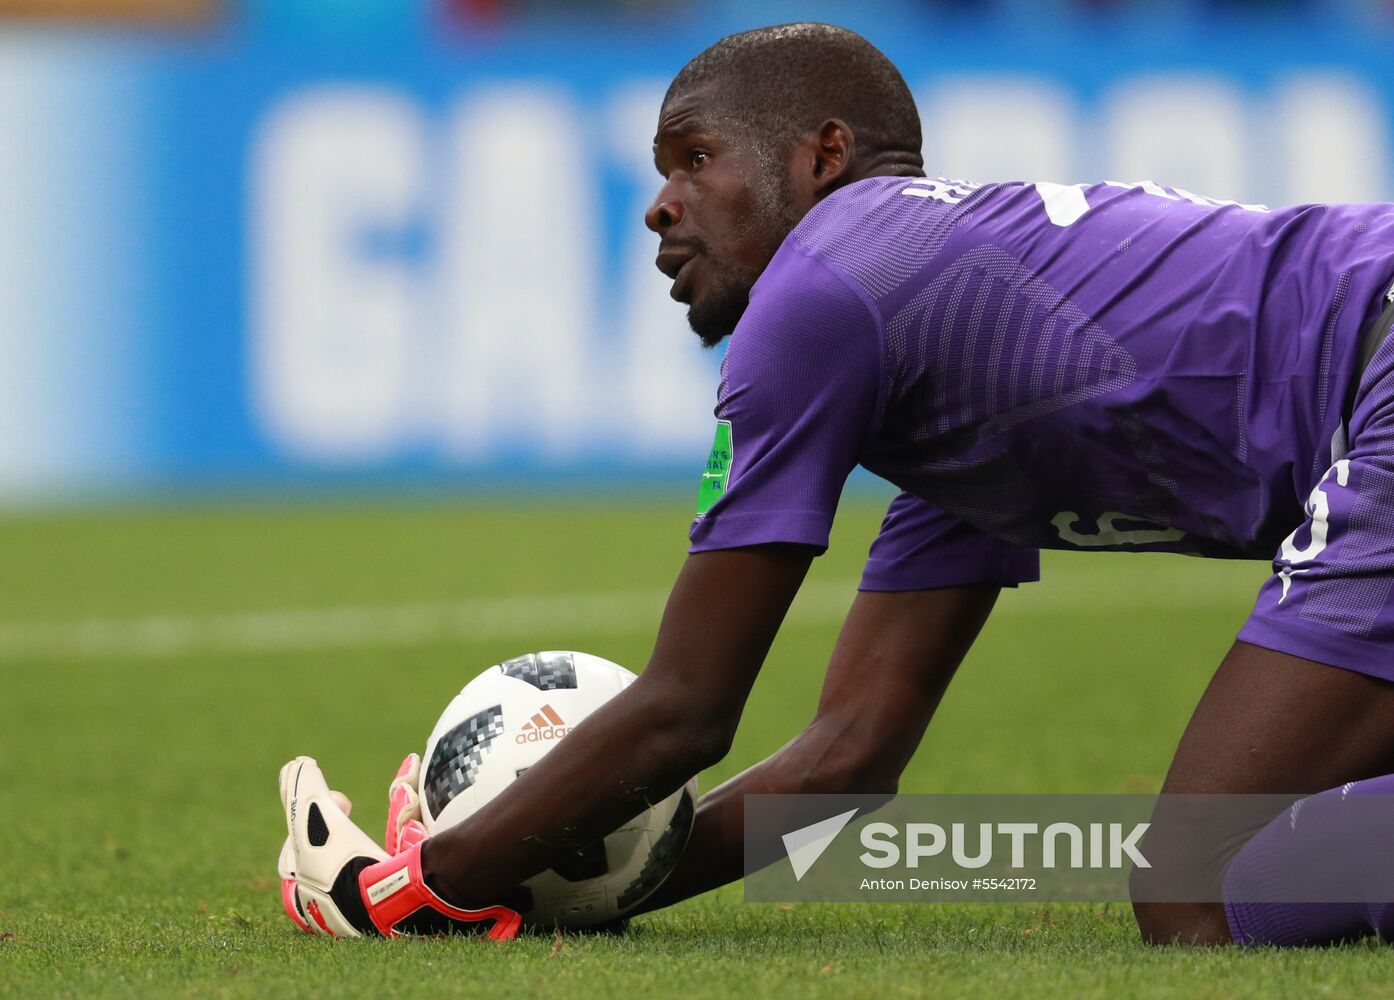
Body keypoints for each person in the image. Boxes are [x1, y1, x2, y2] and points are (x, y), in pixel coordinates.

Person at [278, 22, 1394, 947]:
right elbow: (846, 757)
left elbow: (683, 709)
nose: (661, 205)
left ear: (819, 155)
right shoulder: (943, 358)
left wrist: (414, 888)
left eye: (693, 158)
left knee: (1195, 884)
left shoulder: (827, 284)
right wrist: (556, 887)